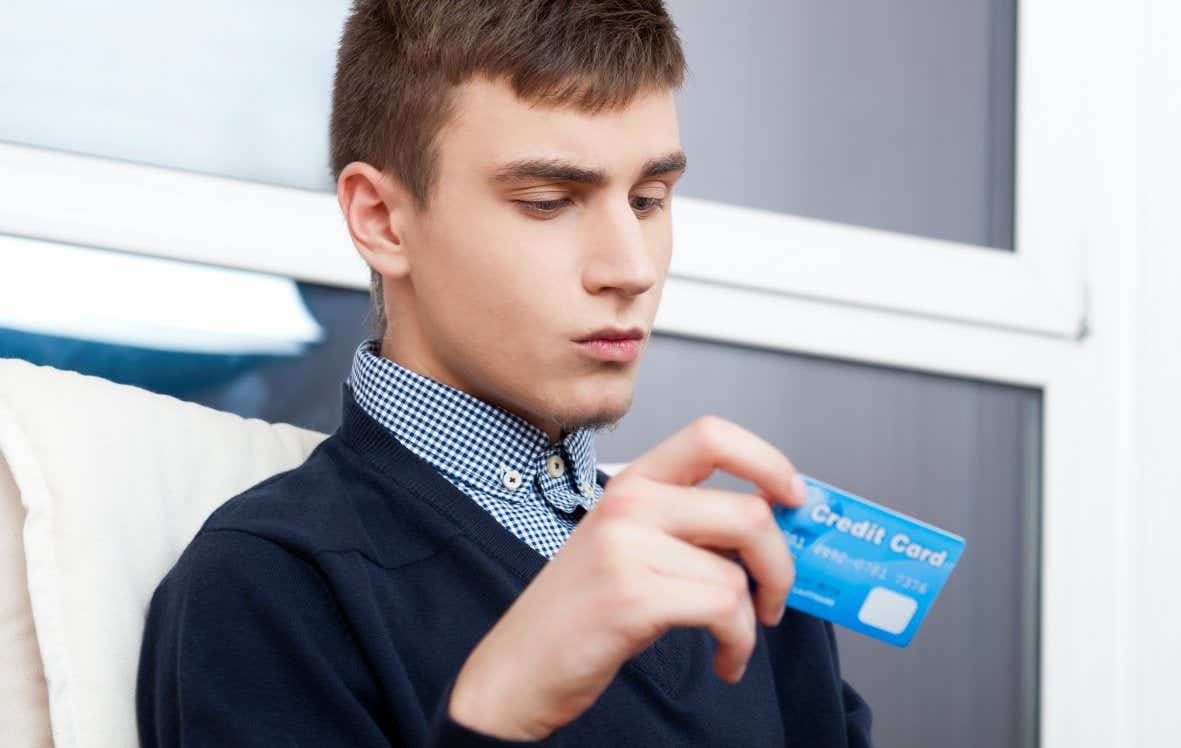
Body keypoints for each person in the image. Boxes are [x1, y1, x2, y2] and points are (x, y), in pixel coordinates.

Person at [134, 0, 873, 745]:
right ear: (383, 220)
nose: (632, 268)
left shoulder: (750, 572)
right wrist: (498, 711)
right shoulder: (272, 585)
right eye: (547, 203)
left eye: (649, 200)